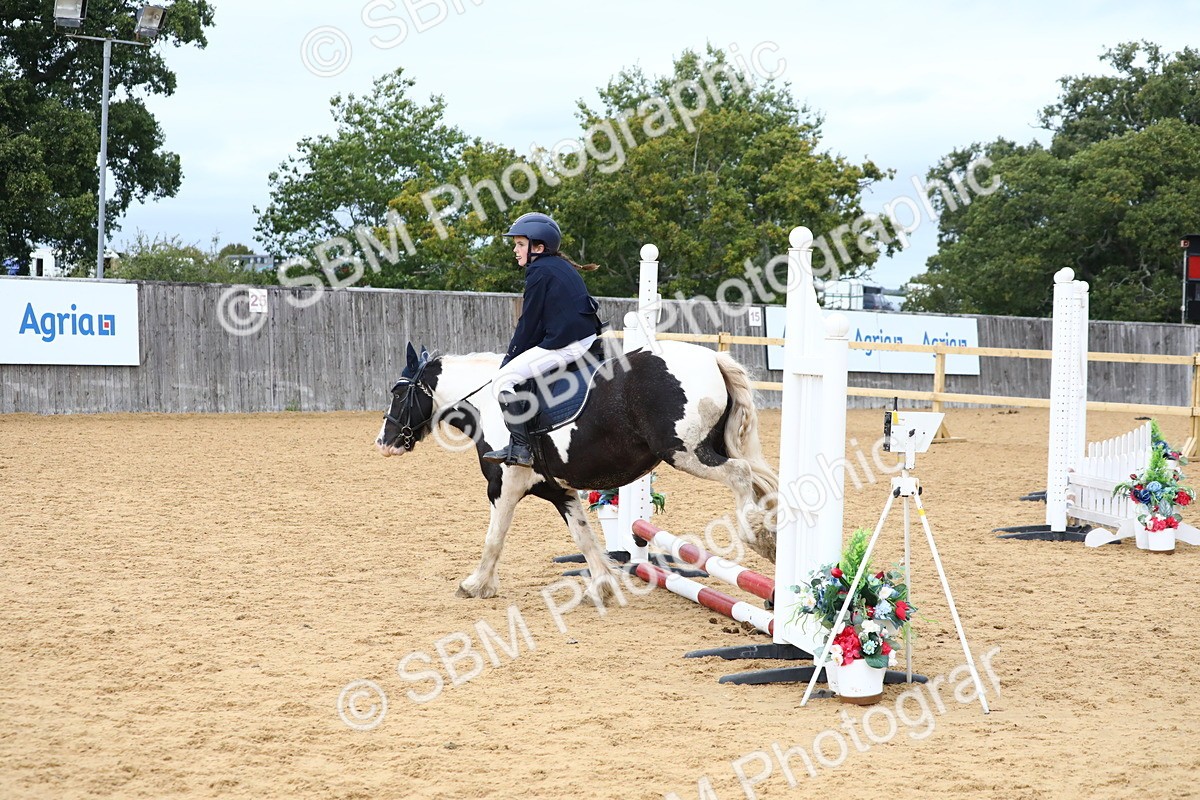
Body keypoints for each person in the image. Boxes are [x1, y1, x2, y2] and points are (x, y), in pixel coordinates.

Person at [482, 213, 604, 467]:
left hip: (569, 344)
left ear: (538, 247)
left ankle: (521, 449)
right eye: (515, 244)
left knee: (503, 379)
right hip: (582, 336)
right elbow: (539, 322)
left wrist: (508, 359)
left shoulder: (538, 271)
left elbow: (528, 323)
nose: (515, 250)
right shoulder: (554, 266)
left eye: (520, 244)